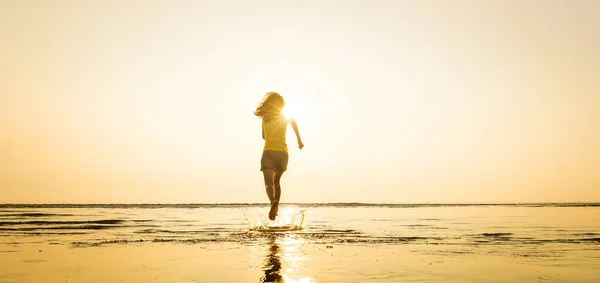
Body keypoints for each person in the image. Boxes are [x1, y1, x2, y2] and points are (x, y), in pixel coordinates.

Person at [254, 92, 304, 220]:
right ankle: (275, 209)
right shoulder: (283, 117)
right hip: (283, 154)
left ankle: (273, 202)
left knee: (268, 184)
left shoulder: (265, 118)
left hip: (269, 152)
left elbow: (264, 137)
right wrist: (299, 140)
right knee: (277, 182)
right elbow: (292, 121)